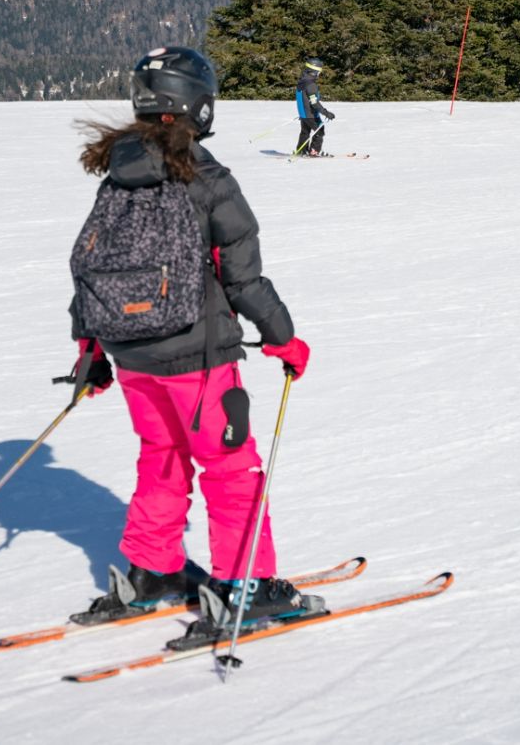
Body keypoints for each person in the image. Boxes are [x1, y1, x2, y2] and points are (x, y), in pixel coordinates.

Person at [66, 45, 317, 632]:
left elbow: (92, 265)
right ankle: (247, 585)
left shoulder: (117, 180)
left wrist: (91, 349)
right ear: (197, 106)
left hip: (131, 356)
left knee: (162, 455)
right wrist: (284, 338)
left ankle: (151, 572)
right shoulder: (208, 180)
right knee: (231, 467)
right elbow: (243, 277)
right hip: (198, 358)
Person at [294, 57, 334, 156]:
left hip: (304, 114)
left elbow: (302, 99)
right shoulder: (311, 85)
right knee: (319, 131)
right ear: (314, 71)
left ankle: (301, 151)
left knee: (305, 132)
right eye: (319, 71)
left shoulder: (302, 82)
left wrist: (302, 113)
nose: (319, 74)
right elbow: (314, 103)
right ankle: (314, 151)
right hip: (311, 114)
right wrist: (326, 113)